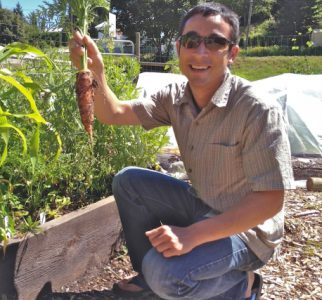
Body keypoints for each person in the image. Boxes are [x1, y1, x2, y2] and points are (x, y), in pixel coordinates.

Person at [69, 2, 294, 299]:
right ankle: (147, 276)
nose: (200, 53)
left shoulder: (257, 110)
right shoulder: (175, 97)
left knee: (167, 275)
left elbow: (269, 201)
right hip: (204, 205)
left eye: (214, 42)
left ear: (232, 53)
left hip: (249, 232)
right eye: (191, 42)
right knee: (128, 181)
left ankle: (245, 284)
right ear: (179, 48)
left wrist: (191, 236)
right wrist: (95, 70)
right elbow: (114, 113)